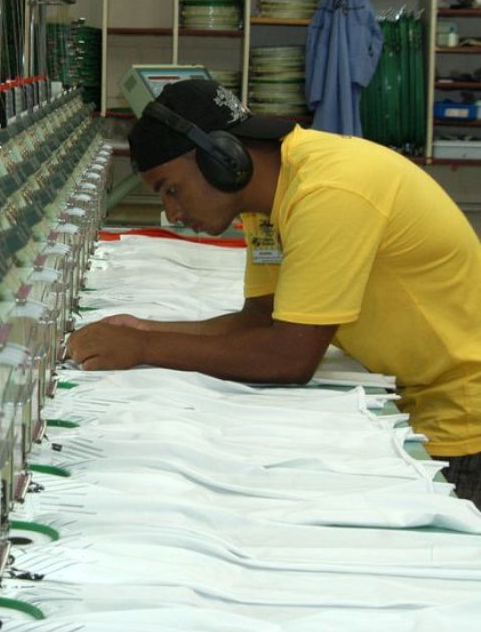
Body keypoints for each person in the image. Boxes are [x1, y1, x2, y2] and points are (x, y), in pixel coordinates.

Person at [65, 79, 481, 505]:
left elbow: (289, 357)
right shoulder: (269, 204)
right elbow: (259, 320)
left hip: (459, 418)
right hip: (413, 395)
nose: (172, 213)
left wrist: (143, 348)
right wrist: (142, 327)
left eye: (172, 189)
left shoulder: (328, 191)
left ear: (221, 160)